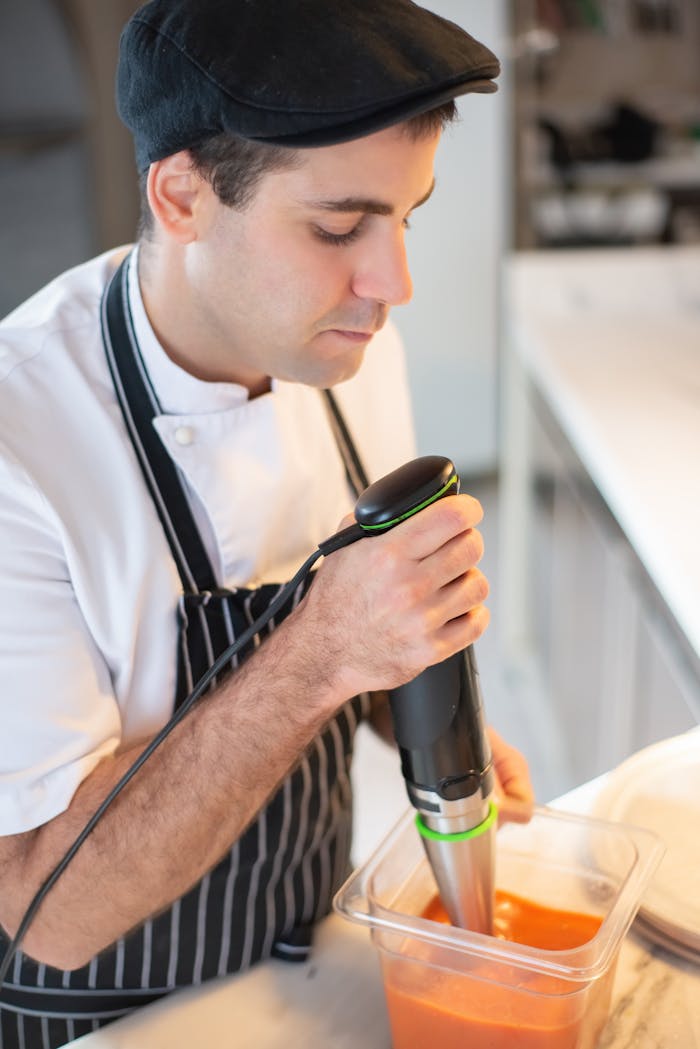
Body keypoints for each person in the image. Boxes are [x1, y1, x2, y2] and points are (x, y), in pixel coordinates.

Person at [0, 1, 533, 1045]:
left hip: (295, 963)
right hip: (98, 1017)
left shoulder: (346, 339)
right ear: (184, 195)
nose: (393, 285)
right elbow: (45, 911)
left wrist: (417, 697)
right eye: (338, 227)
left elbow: (365, 635)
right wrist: (323, 649)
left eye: (405, 217)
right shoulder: (21, 444)